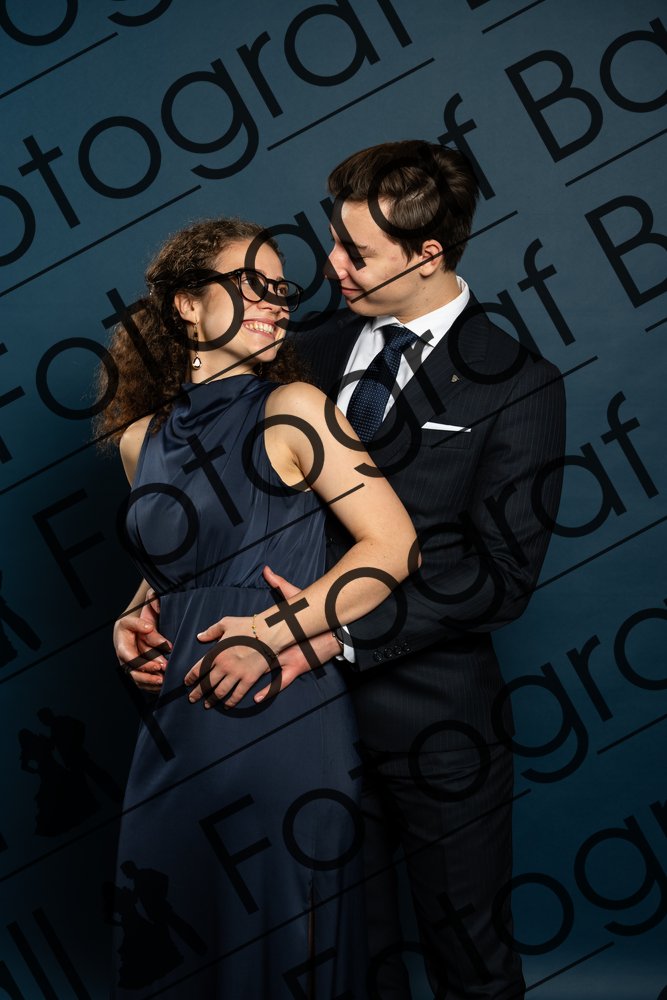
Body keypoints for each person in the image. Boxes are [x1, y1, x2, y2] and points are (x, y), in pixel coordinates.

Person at [254, 142, 566, 998]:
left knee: (469, 960)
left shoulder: (519, 383)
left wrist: (329, 635)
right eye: (333, 240)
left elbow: (500, 577)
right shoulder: (301, 354)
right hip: (300, 721)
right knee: (344, 962)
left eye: (356, 253)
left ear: (427, 254)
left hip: (437, 726)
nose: (332, 265)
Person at [102, 216, 418, 998]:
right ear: (185, 303)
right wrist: (129, 617)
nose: (276, 301)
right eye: (251, 285)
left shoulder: (295, 407)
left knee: (274, 933)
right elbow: (176, 568)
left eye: (281, 288)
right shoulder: (141, 439)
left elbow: (392, 547)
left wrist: (270, 633)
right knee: (168, 927)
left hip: (277, 712)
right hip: (171, 726)